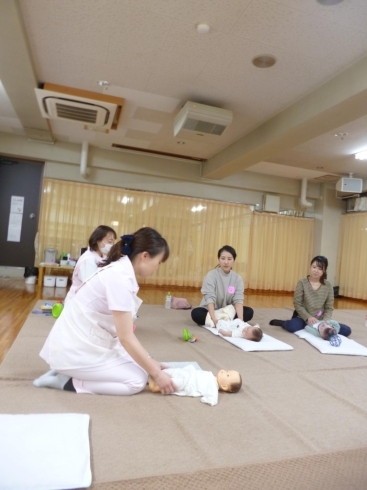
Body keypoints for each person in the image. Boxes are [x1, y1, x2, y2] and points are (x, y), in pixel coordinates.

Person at [33, 227, 177, 396]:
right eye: (158, 262)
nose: (157, 267)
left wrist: (150, 363)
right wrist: (157, 373)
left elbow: (120, 334)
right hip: (75, 349)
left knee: (143, 368)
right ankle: (67, 381)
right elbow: (126, 338)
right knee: (136, 380)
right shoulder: (119, 278)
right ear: (144, 256)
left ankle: (67, 373)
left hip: (85, 341)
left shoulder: (121, 272)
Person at [269, 255, 351, 337]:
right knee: (292, 326)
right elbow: (297, 304)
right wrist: (308, 317)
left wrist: (325, 322)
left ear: (324, 271)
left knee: (346, 330)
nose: (316, 270)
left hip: (320, 319)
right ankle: (283, 323)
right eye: (314, 267)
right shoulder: (302, 282)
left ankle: (312, 327)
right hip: (303, 317)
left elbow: (329, 307)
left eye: (320, 269)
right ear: (310, 267)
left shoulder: (328, 285)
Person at [191, 245, 253, 326]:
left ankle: (224, 319)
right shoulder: (211, 275)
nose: (226, 262)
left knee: (249, 312)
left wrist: (240, 322)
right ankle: (224, 320)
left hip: (228, 311)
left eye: (229, 259)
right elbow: (210, 299)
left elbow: (238, 301)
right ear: (219, 260)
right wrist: (214, 319)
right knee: (196, 313)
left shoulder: (237, 278)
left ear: (234, 261)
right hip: (210, 310)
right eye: (223, 258)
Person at [65, 225, 117, 303]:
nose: (112, 245)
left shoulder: (104, 257)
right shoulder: (88, 259)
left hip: (90, 299)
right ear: (98, 240)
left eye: (113, 242)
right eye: (110, 241)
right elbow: (91, 286)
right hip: (79, 301)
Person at [148, 365, 242, 406]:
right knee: (172, 371)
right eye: (228, 371)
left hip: (188, 383)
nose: (224, 371)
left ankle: (155, 386)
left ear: (225, 386)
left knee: (174, 383)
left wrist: (205, 400)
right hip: (187, 373)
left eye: (227, 375)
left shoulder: (213, 386)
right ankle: (156, 373)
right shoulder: (211, 375)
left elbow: (213, 399)